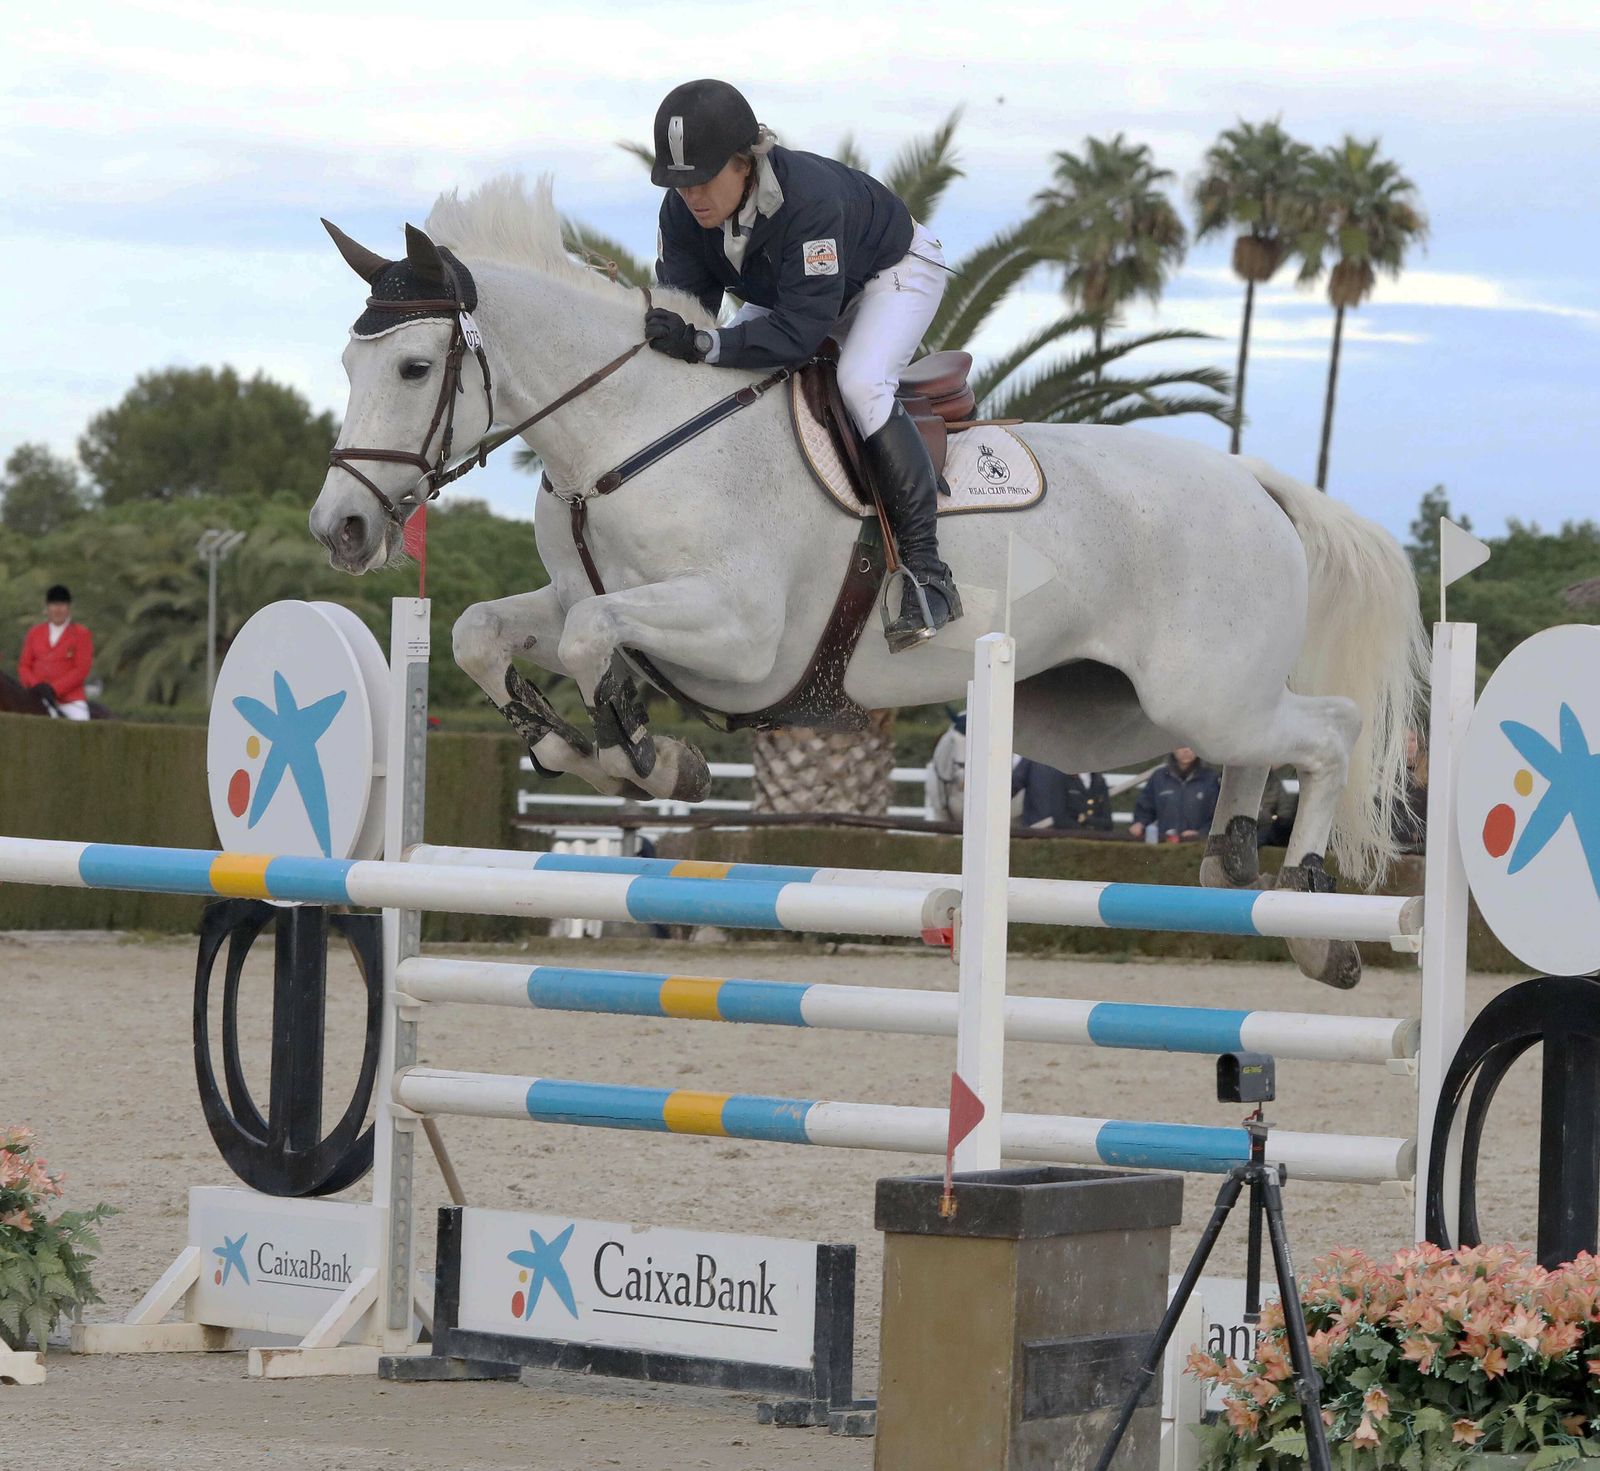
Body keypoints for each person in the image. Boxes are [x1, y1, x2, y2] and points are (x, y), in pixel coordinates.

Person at [643, 78, 961, 652]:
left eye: (703, 177)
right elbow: (687, 317)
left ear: (745, 162)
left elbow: (798, 333)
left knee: (861, 382)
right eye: (678, 181)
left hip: (890, 274)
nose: (691, 195)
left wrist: (706, 346)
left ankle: (927, 574)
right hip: (797, 290)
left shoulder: (809, 197)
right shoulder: (682, 212)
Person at [18, 584, 94, 721]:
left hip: (69, 702)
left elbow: (81, 669)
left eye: (62, 605)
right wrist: (38, 687)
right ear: (47, 608)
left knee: (81, 727)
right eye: (53, 605)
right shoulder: (34, 633)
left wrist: (53, 689)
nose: (57, 610)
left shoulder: (81, 634)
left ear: (68, 608)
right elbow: (24, 665)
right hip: (37, 697)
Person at [1129, 748, 1220, 843]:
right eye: (1181, 746)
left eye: (1191, 746)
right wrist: (1139, 823)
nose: (1186, 750)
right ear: (1172, 748)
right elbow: (1145, 806)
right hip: (1164, 843)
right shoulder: (1159, 777)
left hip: (1199, 845)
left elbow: (1217, 815)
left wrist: (1201, 833)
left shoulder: (1210, 779)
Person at [1011, 759, 1113, 832]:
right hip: (1037, 829)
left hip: (1071, 834)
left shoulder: (1093, 776)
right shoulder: (1036, 758)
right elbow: (1011, 787)